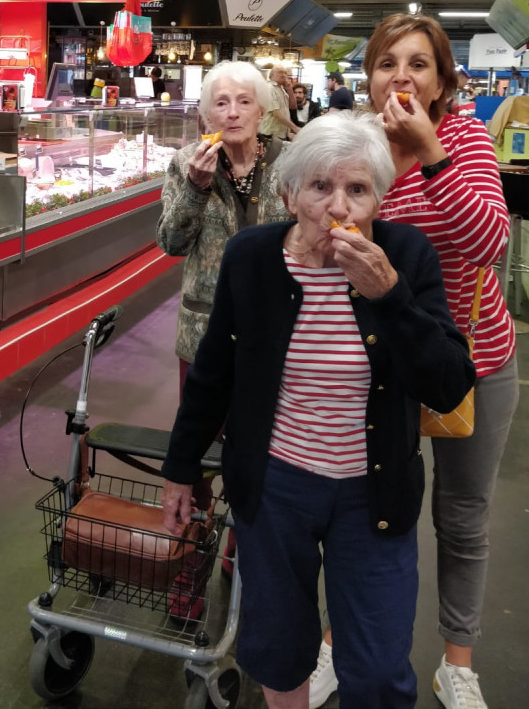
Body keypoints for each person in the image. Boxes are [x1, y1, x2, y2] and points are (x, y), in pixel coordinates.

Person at [162, 112, 475, 709]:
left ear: (379, 196)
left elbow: (448, 384)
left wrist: (390, 297)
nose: (340, 207)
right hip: (275, 484)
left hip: (373, 491)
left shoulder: (405, 255)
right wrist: (182, 469)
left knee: (381, 666)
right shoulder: (252, 256)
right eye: (320, 187)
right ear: (288, 193)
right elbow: (214, 371)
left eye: (358, 190)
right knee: (277, 646)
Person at [310, 14, 518, 709]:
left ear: (442, 80)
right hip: (375, 366)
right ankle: (339, 639)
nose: (402, 75)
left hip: (472, 361)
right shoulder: (354, 147)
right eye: (387, 62)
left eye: (419, 63)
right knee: (364, 507)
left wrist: (432, 154)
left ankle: (456, 664)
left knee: (462, 517)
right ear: (367, 77)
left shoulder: (463, 139)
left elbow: (488, 242)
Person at [156, 59, 290, 616]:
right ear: (204, 111)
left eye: (243, 101)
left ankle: (242, 563)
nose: (232, 112)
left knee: (259, 452)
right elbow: (169, 241)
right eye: (220, 102)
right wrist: (194, 188)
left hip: (277, 338)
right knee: (199, 454)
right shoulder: (187, 163)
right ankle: (190, 568)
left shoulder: (288, 163)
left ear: (263, 111)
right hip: (204, 337)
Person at [262, 64, 300, 140]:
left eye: (285, 73)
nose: (283, 75)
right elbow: (276, 113)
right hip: (271, 134)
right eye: (280, 72)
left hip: (281, 134)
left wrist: (290, 89)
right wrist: (294, 127)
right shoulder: (269, 88)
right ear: (272, 74)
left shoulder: (281, 89)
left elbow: (293, 107)